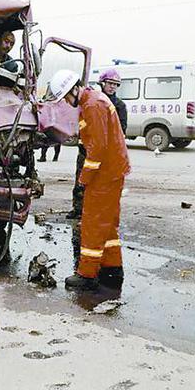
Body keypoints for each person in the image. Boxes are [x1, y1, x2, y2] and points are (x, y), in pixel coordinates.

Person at [47, 69, 130, 291]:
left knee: (93, 223)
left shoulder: (92, 105)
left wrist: (84, 178)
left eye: (65, 96)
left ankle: (87, 273)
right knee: (108, 223)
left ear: (75, 89)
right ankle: (112, 269)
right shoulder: (93, 100)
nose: (65, 101)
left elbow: (98, 149)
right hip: (113, 170)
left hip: (105, 174)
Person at [66, 68, 128, 219]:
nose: (112, 86)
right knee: (80, 181)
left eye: (116, 84)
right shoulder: (88, 99)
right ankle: (78, 209)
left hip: (102, 152)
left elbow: (120, 130)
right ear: (102, 83)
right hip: (85, 149)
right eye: (110, 83)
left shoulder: (117, 106)